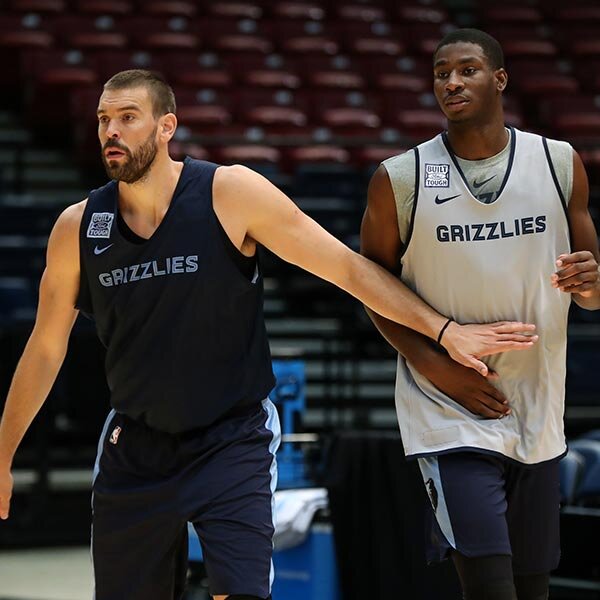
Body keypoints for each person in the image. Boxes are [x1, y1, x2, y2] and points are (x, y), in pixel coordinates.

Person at [0, 70, 538, 600]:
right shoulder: (79, 226)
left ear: (166, 127)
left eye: (127, 118)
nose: (110, 131)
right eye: (102, 120)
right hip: (134, 447)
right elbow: (47, 347)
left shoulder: (228, 193)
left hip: (231, 438)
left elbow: (348, 270)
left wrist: (445, 332)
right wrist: (1, 457)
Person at [361, 28, 600, 600]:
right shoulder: (400, 178)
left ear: (499, 79)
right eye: (441, 74)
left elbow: (592, 290)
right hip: (448, 405)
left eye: (466, 70)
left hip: (537, 401)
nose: (451, 82)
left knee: (532, 587)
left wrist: (592, 284)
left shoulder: (559, 162)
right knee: (490, 587)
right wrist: (438, 369)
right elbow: (372, 288)